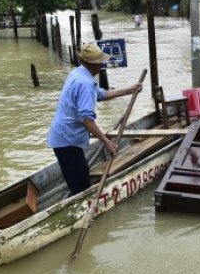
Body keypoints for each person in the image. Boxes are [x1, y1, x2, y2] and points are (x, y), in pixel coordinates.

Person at [48, 43, 142, 197]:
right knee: (81, 188)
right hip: (68, 141)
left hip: (63, 137)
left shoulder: (78, 74)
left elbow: (100, 94)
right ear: (93, 64)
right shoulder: (85, 83)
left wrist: (129, 90)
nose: (102, 65)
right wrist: (107, 142)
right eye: (100, 62)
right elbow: (86, 119)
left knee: (78, 182)